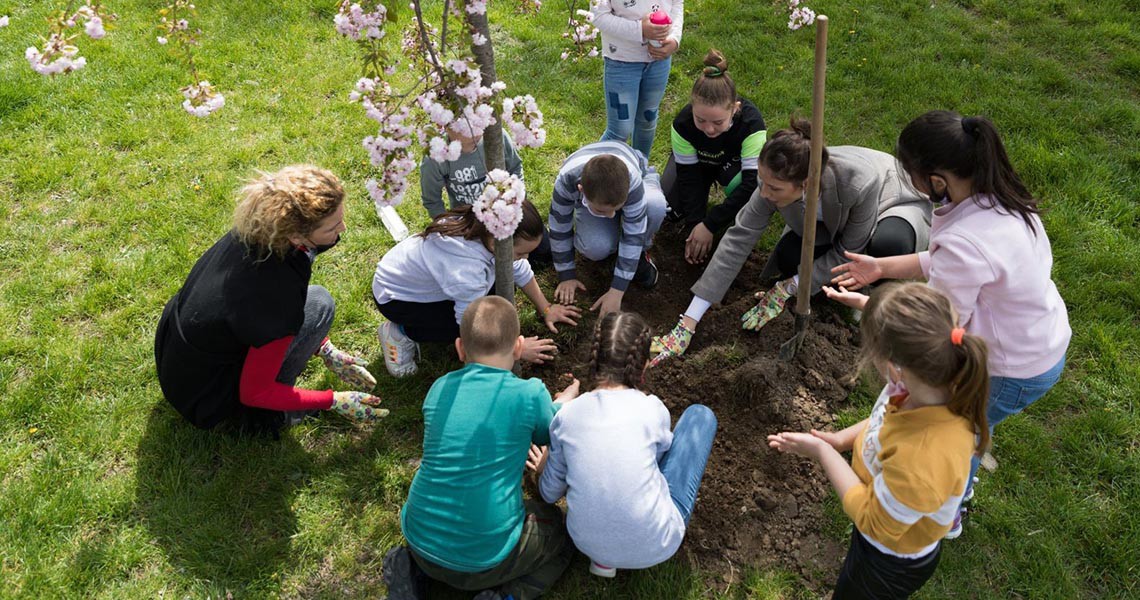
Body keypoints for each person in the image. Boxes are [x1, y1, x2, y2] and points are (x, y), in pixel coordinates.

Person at [826, 111, 1071, 536]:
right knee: (972, 427)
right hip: (1042, 337)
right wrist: (880, 267)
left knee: (960, 431)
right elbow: (946, 259)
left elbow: (935, 332)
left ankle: (948, 508)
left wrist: (873, 307)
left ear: (938, 180)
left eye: (911, 175)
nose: (909, 182)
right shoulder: (1000, 202)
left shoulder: (964, 242)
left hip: (1011, 367)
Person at [768, 283, 989, 599]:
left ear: (893, 365)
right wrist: (842, 440)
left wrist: (823, 451)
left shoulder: (922, 461)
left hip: (889, 559)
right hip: (887, 525)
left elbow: (874, 521)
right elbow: (883, 418)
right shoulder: (927, 384)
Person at [650, 119, 931, 363]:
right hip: (830, 220)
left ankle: (877, 303)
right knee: (788, 258)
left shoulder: (858, 183)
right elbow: (739, 238)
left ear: (806, 185)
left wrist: (789, 287)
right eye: (763, 181)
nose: (765, 191)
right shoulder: (771, 182)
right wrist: (688, 322)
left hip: (891, 199)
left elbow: (849, 251)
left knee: (888, 244)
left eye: (774, 188)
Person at [154, 165, 385, 434]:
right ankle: (274, 417)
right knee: (320, 305)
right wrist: (332, 400)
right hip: (212, 404)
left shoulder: (258, 231)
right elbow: (255, 393)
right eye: (332, 227)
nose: (343, 229)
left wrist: (323, 348)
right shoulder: (276, 296)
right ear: (296, 235)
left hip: (180, 367)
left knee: (317, 301)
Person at [381, 296, 578, 600]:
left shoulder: (439, 389)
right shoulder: (530, 393)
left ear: (460, 348)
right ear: (518, 348)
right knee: (560, 535)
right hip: (486, 559)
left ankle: (412, 571)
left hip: (419, 538)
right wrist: (562, 403)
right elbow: (549, 433)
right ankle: (507, 596)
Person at [528, 311, 716, 579]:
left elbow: (548, 494)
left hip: (585, 542)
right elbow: (663, 459)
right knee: (700, 416)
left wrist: (546, 461)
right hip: (658, 544)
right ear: (645, 365)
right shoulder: (653, 410)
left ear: (593, 361)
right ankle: (630, 538)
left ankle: (605, 559)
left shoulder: (567, 417)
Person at [373, 200, 579, 377]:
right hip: (396, 298)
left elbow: (518, 269)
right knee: (456, 330)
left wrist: (546, 308)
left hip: (435, 282)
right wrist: (515, 349)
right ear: (495, 240)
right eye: (520, 253)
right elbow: (469, 325)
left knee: (500, 290)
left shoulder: (485, 229)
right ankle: (401, 332)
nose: (525, 259)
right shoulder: (466, 269)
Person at [660, 49, 767, 264]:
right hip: (698, 164)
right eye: (701, 120)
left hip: (731, 166)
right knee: (669, 208)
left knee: (753, 199)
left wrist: (711, 224)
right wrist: (696, 226)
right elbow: (688, 177)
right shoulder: (682, 124)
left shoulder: (751, 125)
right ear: (692, 110)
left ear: (735, 109)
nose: (709, 129)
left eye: (718, 122)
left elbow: (751, 184)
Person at [549, 141, 667, 316]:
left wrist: (616, 292)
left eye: (617, 209)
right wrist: (566, 274)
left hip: (639, 177)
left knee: (655, 207)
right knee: (594, 247)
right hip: (593, 190)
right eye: (603, 210)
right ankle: (614, 244)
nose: (612, 215)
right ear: (581, 191)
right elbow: (559, 226)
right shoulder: (567, 182)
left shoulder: (632, 182)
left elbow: (633, 234)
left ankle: (642, 252)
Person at [420, 129, 553, 265]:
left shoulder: (496, 136)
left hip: (506, 214)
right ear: (448, 126)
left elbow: (515, 167)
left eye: (479, 121)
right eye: (466, 125)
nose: (475, 130)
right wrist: (451, 229)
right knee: (489, 275)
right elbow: (432, 200)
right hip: (471, 222)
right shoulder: (437, 156)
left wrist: (515, 200)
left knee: (544, 252)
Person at [592, 0, 684, 158]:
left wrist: (674, 39)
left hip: (659, 62)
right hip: (621, 62)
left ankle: (640, 170)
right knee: (619, 131)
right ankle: (591, 179)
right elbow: (598, 16)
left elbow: (676, 3)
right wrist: (640, 29)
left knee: (647, 121)